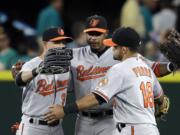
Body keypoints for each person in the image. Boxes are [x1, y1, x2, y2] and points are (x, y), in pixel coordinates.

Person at [12, 15, 174, 135]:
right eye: (90, 33)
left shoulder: (121, 56)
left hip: (110, 119)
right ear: (85, 33)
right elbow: (47, 80)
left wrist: (172, 66)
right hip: (83, 120)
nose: (93, 37)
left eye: (98, 33)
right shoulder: (71, 55)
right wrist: (20, 74)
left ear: (106, 33)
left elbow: (154, 69)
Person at [44, 27, 165, 135]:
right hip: (150, 128)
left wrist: (65, 110)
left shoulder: (120, 69)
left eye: (115, 46)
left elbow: (97, 97)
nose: (112, 49)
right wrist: (160, 104)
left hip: (132, 129)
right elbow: (160, 97)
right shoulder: (146, 69)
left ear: (124, 49)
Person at [15, 27, 72, 135]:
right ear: (45, 44)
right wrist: (38, 70)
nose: (61, 45)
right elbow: (19, 80)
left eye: (63, 42)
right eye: (56, 42)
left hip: (57, 127)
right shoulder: (31, 64)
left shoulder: (68, 66)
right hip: (33, 127)